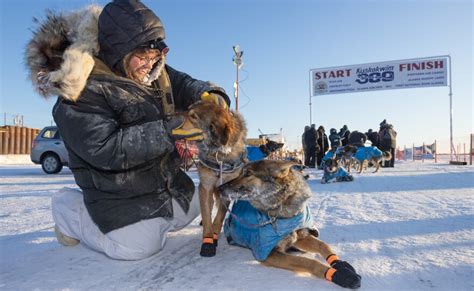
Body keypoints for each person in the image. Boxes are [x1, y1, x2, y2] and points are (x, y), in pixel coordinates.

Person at [25, 0, 230, 260]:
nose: (150, 63)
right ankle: (70, 211)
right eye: (141, 57)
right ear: (117, 53)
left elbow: (183, 84)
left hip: (159, 181)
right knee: (137, 248)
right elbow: (106, 149)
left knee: (192, 207)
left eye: (156, 56)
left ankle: (150, 222)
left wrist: (208, 94)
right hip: (115, 193)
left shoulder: (154, 70)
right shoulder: (82, 90)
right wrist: (169, 132)